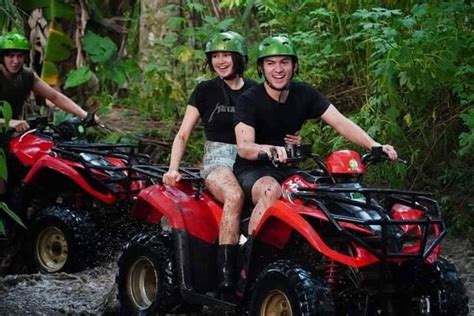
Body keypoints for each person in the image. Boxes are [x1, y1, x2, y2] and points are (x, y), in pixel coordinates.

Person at [162, 31, 300, 292]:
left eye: (226, 55)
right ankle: (227, 274)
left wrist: (291, 141)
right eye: (215, 56)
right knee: (234, 195)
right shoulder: (204, 90)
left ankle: (262, 263)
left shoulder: (255, 91)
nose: (221, 61)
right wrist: (172, 169)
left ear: (239, 58)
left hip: (252, 161)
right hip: (218, 159)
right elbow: (183, 134)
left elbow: (274, 125)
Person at [234, 35, 398, 235]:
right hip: (254, 171)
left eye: (285, 62)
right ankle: (249, 252)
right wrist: (272, 150)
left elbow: (340, 121)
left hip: (288, 170)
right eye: (271, 63)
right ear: (261, 68)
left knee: (328, 191)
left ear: (295, 66)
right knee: (271, 190)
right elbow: (244, 147)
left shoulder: (304, 93)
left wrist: (375, 145)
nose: (278, 69)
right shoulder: (249, 100)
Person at [0, 32, 96, 194]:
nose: (15, 61)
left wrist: (84, 114)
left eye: (19, 56)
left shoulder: (27, 75)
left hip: (12, 135)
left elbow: (54, 96)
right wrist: (9, 121)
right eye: (10, 56)